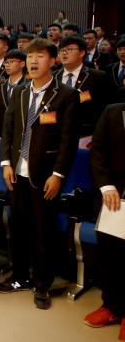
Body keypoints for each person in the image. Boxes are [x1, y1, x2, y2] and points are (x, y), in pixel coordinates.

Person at [0, 38, 80, 310]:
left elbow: (68, 140)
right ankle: (20, 276)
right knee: (17, 228)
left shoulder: (66, 95)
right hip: (16, 172)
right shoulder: (20, 91)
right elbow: (8, 129)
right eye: (30, 56)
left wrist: (58, 175)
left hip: (45, 175)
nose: (33, 61)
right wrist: (6, 163)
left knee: (43, 232)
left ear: (53, 61)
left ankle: (42, 284)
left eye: (40, 56)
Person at [83, 103, 125, 340]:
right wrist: (106, 185)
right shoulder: (112, 112)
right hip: (112, 197)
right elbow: (97, 150)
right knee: (109, 253)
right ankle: (111, 306)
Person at [55, 36, 108, 136]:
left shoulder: (98, 77)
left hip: (85, 132)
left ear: (82, 53)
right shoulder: (52, 77)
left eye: (69, 49)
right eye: (61, 50)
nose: (64, 53)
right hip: (55, 133)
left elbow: (102, 108)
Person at [0, 49, 26, 131]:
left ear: (22, 64)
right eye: (6, 62)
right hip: (0, 130)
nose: (7, 65)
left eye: (11, 61)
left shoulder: (28, 86)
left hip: (20, 130)